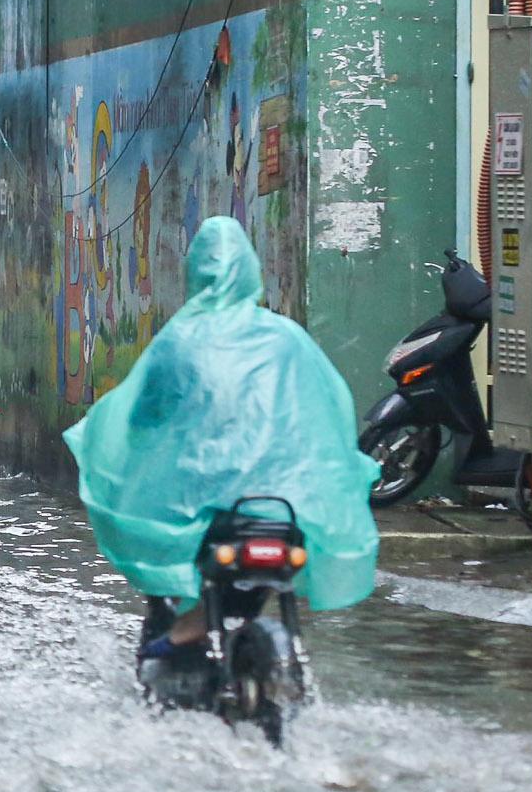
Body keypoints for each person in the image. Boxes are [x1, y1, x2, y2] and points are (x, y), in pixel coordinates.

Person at [62, 216, 378, 655]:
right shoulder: (287, 337)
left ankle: (176, 640)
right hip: (283, 505)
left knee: (166, 542)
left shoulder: (179, 340)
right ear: (250, 271)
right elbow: (330, 407)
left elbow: (142, 416)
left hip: (203, 503)